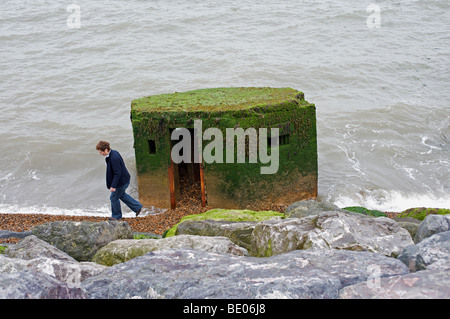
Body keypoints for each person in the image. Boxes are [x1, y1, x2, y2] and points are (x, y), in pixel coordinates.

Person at [96, 140, 142, 220]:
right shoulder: (113, 153)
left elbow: (118, 173)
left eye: (101, 152)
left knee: (114, 198)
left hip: (121, 182)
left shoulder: (114, 157)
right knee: (121, 195)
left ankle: (116, 216)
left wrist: (113, 186)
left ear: (106, 150)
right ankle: (137, 207)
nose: (100, 154)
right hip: (124, 179)